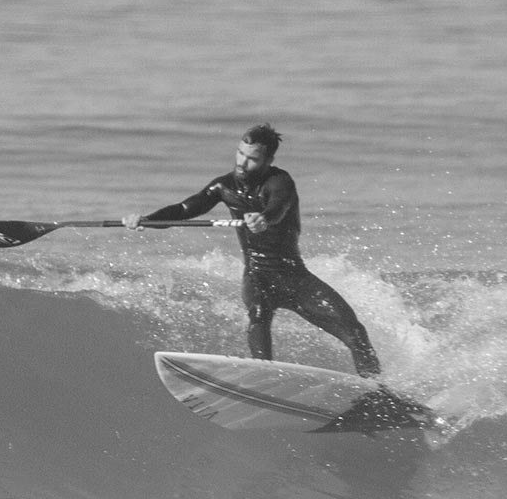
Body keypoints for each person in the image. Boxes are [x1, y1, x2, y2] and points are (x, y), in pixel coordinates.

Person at [124, 123, 382, 377]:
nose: (242, 163)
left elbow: (278, 207)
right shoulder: (223, 186)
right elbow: (184, 210)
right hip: (258, 274)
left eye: (252, 159)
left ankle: (375, 388)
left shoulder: (280, 181)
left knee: (355, 331)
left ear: (268, 160)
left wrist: (264, 218)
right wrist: (147, 219)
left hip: (295, 277)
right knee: (258, 312)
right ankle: (265, 377)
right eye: (240, 153)